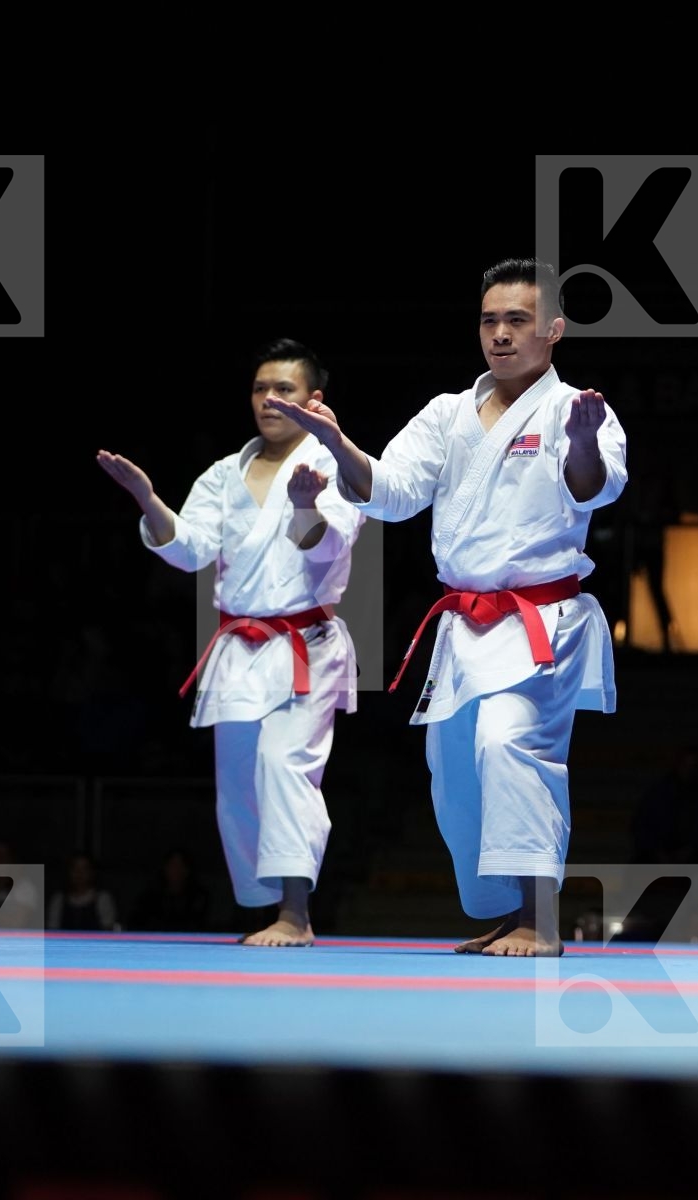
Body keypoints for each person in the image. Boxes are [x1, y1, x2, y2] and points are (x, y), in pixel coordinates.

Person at [267, 258, 626, 957]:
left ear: (553, 328)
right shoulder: (447, 413)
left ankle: (539, 918)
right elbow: (393, 492)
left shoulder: (577, 409)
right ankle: (501, 909)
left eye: (517, 320)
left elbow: (594, 489)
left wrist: (582, 443)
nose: (499, 333)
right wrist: (339, 444)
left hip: (539, 620)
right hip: (465, 626)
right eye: (490, 320)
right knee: (453, 761)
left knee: (510, 740)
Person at [97, 338, 363, 947]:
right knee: (240, 787)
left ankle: (296, 913)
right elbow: (189, 546)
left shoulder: (337, 465)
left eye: (285, 390)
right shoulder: (225, 472)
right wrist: (148, 500)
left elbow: (328, 547)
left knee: (284, 765)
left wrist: (303, 509)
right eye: (259, 389)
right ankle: (268, 908)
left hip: (306, 644)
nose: (269, 400)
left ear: (314, 398)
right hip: (240, 648)